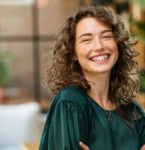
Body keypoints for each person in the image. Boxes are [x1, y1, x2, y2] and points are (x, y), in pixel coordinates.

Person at [39, 6, 145, 150]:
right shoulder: (70, 103)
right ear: (73, 53)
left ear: (118, 44)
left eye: (106, 36)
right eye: (87, 40)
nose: (99, 46)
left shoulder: (132, 110)